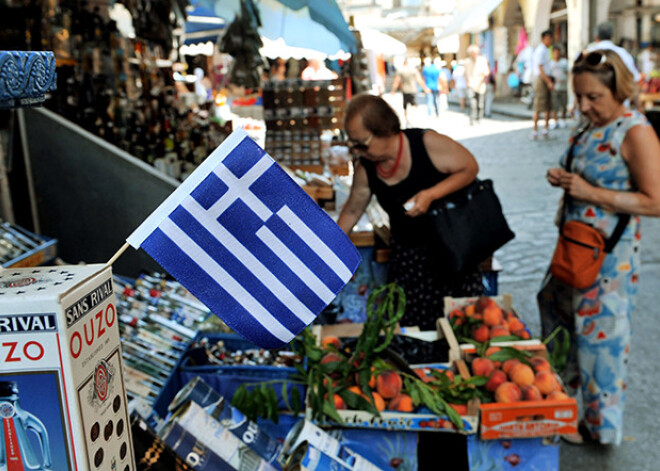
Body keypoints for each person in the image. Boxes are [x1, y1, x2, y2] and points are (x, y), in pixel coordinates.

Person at [538, 49, 660, 446]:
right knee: (557, 318)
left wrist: (591, 192)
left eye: (594, 98)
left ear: (618, 90)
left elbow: (655, 201)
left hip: (609, 257)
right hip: (572, 246)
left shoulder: (635, 131)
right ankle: (563, 405)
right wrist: (563, 178)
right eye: (579, 96)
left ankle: (600, 429)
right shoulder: (587, 127)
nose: (584, 106)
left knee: (600, 339)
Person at [337, 94, 484, 330]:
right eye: (352, 144)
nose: (357, 151)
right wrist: (328, 246)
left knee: (460, 326)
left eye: (362, 143)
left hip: (452, 251)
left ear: (384, 129)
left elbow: (469, 167)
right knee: (413, 330)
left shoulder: (426, 144)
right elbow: (353, 210)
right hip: (409, 260)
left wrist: (431, 194)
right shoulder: (366, 168)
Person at [390, 58, 429, 126]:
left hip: (405, 90)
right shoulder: (413, 70)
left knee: (405, 106)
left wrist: (393, 90)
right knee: (413, 104)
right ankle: (413, 119)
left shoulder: (401, 70)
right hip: (412, 90)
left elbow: (397, 81)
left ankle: (407, 119)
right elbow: (419, 80)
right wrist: (425, 88)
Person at [531, 30, 555, 139]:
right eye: (548, 38)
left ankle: (545, 128)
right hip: (541, 79)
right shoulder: (540, 50)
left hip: (545, 78)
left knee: (547, 105)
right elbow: (540, 68)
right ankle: (535, 130)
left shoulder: (545, 50)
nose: (550, 40)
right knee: (539, 104)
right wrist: (548, 81)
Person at [465, 45, 490, 124]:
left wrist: (483, 75)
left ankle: (479, 118)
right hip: (471, 85)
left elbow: (486, 72)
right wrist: (467, 80)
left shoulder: (482, 60)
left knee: (480, 104)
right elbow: (465, 73)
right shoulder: (467, 61)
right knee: (472, 103)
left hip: (480, 85)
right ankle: (472, 118)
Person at [549, 45, 569, 127]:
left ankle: (563, 120)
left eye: (558, 52)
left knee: (563, 105)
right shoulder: (550, 63)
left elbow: (569, 73)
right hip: (555, 87)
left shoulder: (564, 62)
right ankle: (555, 121)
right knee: (554, 105)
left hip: (563, 87)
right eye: (555, 52)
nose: (556, 54)